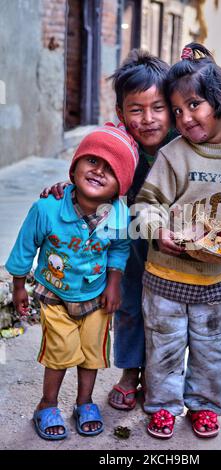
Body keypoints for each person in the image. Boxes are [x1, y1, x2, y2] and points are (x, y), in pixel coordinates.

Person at [136, 43, 221, 439]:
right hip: (165, 277)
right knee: (164, 350)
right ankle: (161, 406)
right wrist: (158, 229)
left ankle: (205, 407)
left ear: (220, 102)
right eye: (177, 110)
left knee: (212, 352)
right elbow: (148, 203)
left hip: (216, 282)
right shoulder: (174, 155)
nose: (185, 117)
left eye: (194, 104)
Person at [40, 49, 177, 411]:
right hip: (128, 242)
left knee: (166, 313)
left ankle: (160, 377)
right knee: (130, 306)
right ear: (121, 113)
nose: (148, 119)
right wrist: (69, 186)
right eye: (136, 109)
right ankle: (130, 372)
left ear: (172, 108)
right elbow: (90, 165)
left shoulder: (183, 145)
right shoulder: (117, 140)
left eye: (158, 107)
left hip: (175, 244)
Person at [5, 123, 138, 440]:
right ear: (74, 165)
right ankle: (47, 404)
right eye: (92, 161)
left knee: (91, 353)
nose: (99, 171)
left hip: (96, 299)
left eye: (111, 169)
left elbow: (119, 247)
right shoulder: (47, 209)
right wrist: (19, 286)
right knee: (61, 351)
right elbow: (25, 249)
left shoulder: (119, 215)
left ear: (121, 186)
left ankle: (84, 402)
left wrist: (115, 281)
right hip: (56, 297)